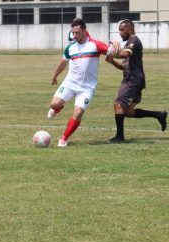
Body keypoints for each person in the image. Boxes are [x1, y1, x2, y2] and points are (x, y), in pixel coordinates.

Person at [47, 18, 119, 147]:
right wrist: (54, 76)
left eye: (77, 32)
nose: (74, 35)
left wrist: (113, 43)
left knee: (78, 113)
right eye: (73, 33)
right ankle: (58, 108)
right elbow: (63, 63)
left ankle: (63, 139)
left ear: (85, 31)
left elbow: (112, 52)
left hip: (87, 88)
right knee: (53, 104)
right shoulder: (70, 48)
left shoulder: (95, 45)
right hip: (70, 83)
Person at [106, 19, 167, 143]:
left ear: (130, 28)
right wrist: (112, 61)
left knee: (118, 104)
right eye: (119, 30)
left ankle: (119, 137)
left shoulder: (134, 41)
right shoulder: (128, 43)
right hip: (132, 80)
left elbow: (124, 55)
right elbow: (124, 66)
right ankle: (159, 115)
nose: (120, 32)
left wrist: (111, 51)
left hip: (133, 81)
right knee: (127, 111)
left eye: (122, 30)